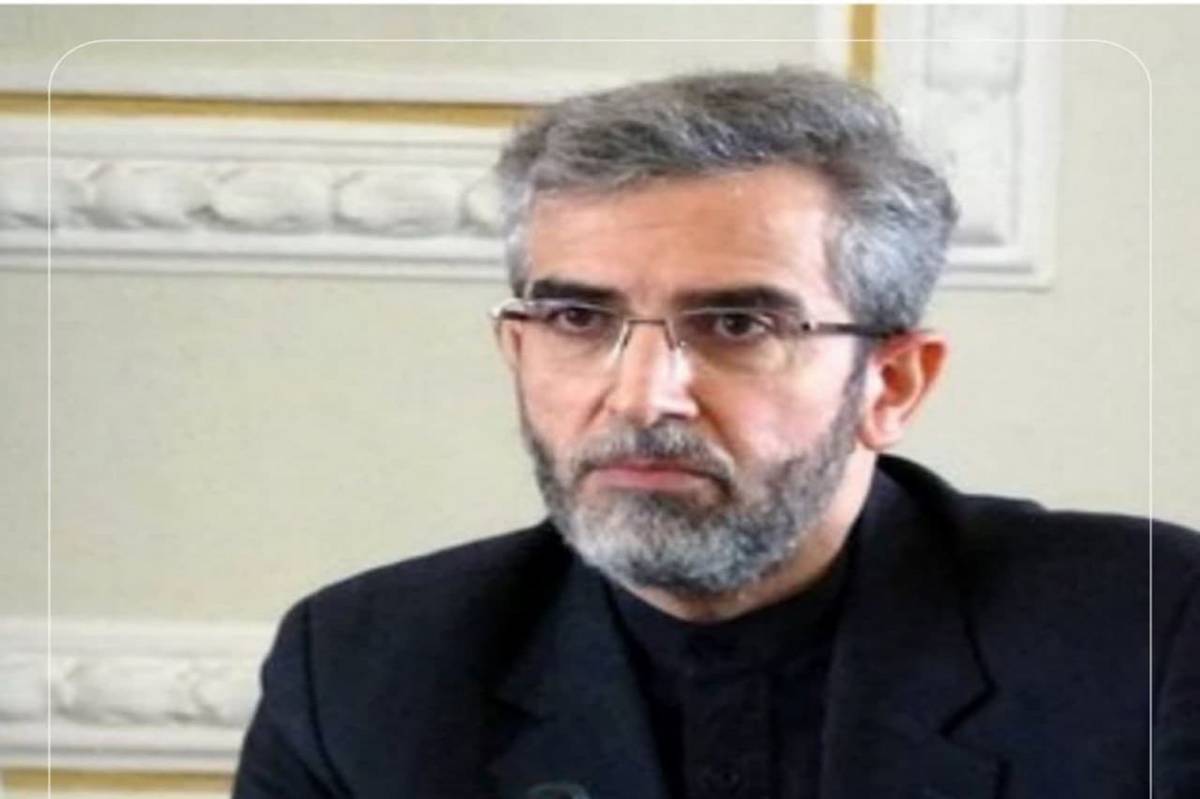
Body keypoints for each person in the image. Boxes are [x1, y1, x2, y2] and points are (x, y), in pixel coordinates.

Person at [232, 68, 1200, 799]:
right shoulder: (363, 669)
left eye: (736, 324)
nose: (642, 396)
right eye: (578, 319)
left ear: (892, 382)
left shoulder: (1147, 637)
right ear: (516, 349)